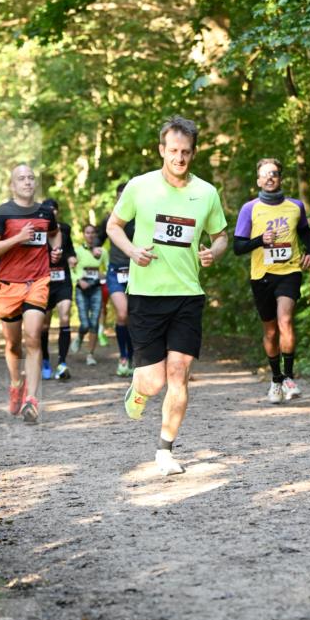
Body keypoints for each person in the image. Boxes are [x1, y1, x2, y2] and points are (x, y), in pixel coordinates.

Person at [108, 115, 227, 476]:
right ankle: (139, 390)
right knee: (154, 380)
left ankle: (165, 449)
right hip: (146, 294)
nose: (179, 158)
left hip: (188, 295)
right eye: (173, 151)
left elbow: (221, 235)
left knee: (179, 372)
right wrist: (131, 251)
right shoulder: (140, 187)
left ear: (194, 153)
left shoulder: (206, 192)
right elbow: (113, 225)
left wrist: (213, 252)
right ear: (162, 150)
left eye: (186, 152)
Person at [0, 164, 62, 423]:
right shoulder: (1, 214)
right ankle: (16, 383)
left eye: (31, 178)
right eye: (21, 178)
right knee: (13, 344)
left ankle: (32, 398)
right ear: (12, 185)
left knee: (33, 338)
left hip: (38, 281)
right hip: (9, 285)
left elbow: (54, 232)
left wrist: (55, 250)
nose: (27, 182)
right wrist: (18, 238)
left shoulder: (45, 212)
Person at [234, 157, 310, 403]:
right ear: (258, 180)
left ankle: (289, 378)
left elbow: (304, 231)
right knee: (270, 333)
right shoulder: (250, 209)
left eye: (274, 174)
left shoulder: (295, 206)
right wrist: (260, 240)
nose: (270, 178)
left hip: (289, 271)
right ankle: (276, 379)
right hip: (262, 276)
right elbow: (238, 247)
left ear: (280, 178)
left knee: (286, 320)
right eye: (265, 174)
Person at [96, 182, 135, 377]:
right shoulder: (109, 219)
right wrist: (95, 247)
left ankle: (135, 356)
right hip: (115, 272)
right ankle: (123, 356)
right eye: (119, 196)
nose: (122, 200)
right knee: (122, 313)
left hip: (138, 272)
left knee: (135, 317)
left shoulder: (140, 218)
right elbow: (98, 238)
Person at [41, 198, 77, 381]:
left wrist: (71, 258)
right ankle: (45, 360)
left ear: (57, 212)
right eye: (48, 210)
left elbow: (69, 249)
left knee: (65, 317)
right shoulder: (38, 231)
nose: (52, 213)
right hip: (45, 283)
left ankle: (62, 362)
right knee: (44, 325)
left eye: (54, 210)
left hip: (63, 280)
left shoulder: (65, 229)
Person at [71, 223, 108, 366]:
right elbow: (71, 270)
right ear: (83, 234)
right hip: (82, 289)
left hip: (96, 289)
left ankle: (90, 355)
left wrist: (102, 275)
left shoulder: (102, 252)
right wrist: (78, 280)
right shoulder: (77, 251)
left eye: (93, 232)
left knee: (94, 324)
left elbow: (109, 270)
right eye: (87, 232)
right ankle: (80, 336)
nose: (90, 235)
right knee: (85, 324)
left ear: (96, 235)